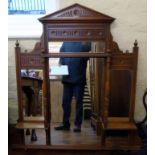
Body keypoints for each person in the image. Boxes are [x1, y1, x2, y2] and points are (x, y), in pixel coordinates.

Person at [54, 41, 91, 132]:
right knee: (65, 102)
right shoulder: (65, 42)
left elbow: (89, 51)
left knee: (79, 102)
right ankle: (65, 124)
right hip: (67, 78)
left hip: (79, 77)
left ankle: (78, 125)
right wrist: (59, 69)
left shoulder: (84, 41)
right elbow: (61, 57)